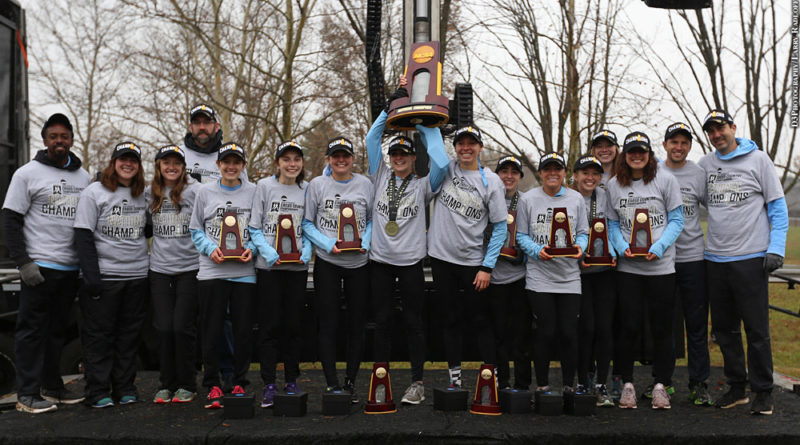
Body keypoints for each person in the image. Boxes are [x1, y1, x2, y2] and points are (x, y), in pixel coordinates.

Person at [699, 109, 787, 415]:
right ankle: (737, 388)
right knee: (724, 330)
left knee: (756, 330)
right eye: (711, 131)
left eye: (720, 128)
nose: (716, 134)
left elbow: (777, 208)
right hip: (715, 259)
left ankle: (763, 391)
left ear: (733, 127)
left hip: (751, 258)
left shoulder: (759, 160)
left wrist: (776, 247)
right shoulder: (705, 165)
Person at [366, 78, 448, 404]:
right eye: (395, 154)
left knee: (415, 324)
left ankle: (417, 383)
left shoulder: (424, 184)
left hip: (412, 262)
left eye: (405, 154)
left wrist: (425, 122)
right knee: (382, 323)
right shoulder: (379, 175)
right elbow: (374, 136)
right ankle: (380, 379)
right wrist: (396, 101)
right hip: (380, 263)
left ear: (414, 159)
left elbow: (442, 162)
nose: (399, 158)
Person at [2, 113, 90, 413]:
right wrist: (24, 263)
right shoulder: (27, 173)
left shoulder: (84, 177)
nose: (59, 141)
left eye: (64, 136)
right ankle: (26, 394)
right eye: (53, 136)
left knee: (56, 333)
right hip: (39, 268)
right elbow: (10, 221)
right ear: (45, 141)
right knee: (31, 331)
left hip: (69, 270)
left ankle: (52, 388)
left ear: (71, 140)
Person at [605, 132, 684, 410]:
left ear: (649, 154)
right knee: (628, 327)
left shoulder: (665, 179)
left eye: (642, 151)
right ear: (624, 155)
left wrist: (660, 246)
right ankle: (627, 384)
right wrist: (619, 246)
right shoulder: (614, 185)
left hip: (660, 268)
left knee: (662, 328)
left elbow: (677, 219)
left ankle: (661, 384)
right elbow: (612, 223)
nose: (636, 156)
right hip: (628, 268)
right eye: (631, 152)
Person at [427, 126, 507, 389]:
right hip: (441, 259)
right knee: (449, 319)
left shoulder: (492, 181)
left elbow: (500, 227)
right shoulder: (445, 168)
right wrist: (428, 124)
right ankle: (455, 378)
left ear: (480, 148)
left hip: (474, 263)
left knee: (481, 320)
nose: (465, 148)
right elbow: (433, 148)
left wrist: (487, 266)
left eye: (471, 144)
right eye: (460, 143)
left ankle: (489, 376)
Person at [73, 142, 149, 408]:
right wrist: (91, 276)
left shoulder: (143, 195)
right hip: (104, 278)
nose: (127, 164)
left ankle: (125, 388)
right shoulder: (94, 192)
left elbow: (148, 230)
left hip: (137, 276)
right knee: (99, 338)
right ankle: (98, 391)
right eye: (122, 159)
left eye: (133, 160)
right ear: (113, 162)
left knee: (128, 337)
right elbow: (82, 236)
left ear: (138, 166)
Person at [302, 137, 373, 403]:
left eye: (345, 156)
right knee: (328, 325)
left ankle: (351, 382)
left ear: (352, 158)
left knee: (357, 326)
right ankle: (332, 383)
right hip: (328, 263)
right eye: (335, 156)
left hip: (359, 265)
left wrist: (365, 243)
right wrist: (329, 244)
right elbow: (307, 224)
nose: (341, 161)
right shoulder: (317, 185)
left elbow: (373, 220)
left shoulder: (365, 184)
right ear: (328, 159)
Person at [189, 142, 257, 409]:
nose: (231, 167)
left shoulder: (254, 191)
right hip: (211, 271)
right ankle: (213, 384)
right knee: (212, 330)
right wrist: (210, 250)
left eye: (236, 162)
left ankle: (239, 381)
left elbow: (259, 227)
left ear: (243, 165)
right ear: (218, 165)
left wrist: (250, 249)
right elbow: (196, 230)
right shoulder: (204, 192)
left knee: (242, 331)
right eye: (226, 162)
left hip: (244, 273)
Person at [515, 153, 588, 396]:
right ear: (541, 173)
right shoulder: (528, 199)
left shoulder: (576, 198)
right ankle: (543, 385)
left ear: (564, 172)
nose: (552, 173)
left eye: (557, 169)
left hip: (569, 279)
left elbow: (584, 233)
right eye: (547, 169)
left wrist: (580, 247)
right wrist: (537, 251)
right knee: (545, 332)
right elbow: (521, 235)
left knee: (568, 332)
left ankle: (569, 385)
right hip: (539, 278)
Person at [248, 141, 312, 408]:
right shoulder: (264, 186)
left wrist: (307, 251)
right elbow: (254, 227)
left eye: (296, 159)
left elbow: (310, 225)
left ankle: (292, 380)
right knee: (269, 327)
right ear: (277, 163)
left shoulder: (307, 189)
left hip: (296, 269)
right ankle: (269, 384)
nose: (292, 164)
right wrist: (268, 252)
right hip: (269, 269)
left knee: (293, 327)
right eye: (286, 159)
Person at [661, 122, 713, 406]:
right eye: (674, 142)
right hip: (662, 262)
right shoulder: (654, 171)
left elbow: (716, 208)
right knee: (665, 326)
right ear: (665, 145)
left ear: (689, 147)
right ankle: (662, 382)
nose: (678, 147)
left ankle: (699, 383)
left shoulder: (698, 173)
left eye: (684, 143)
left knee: (696, 325)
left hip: (693, 258)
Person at [147, 145, 201, 404]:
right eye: (166, 162)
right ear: (158, 165)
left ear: (183, 167)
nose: (171, 167)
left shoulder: (195, 191)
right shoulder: (150, 192)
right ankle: (165, 384)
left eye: (177, 163)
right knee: (164, 329)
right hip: (159, 270)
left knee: (182, 327)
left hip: (190, 269)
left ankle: (187, 384)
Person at [571, 154, 617, 407]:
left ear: (601, 178)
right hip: (578, 274)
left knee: (604, 329)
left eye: (595, 174)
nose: (589, 178)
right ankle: (583, 381)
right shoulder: (567, 197)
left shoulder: (606, 197)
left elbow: (618, 226)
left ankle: (602, 384)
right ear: (575, 175)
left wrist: (617, 252)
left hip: (605, 273)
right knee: (585, 329)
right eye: (584, 173)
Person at [485, 156, 530, 391]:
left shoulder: (527, 202)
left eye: (514, 172)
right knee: (498, 336)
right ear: (497, 175)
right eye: (504, 171)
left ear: (520, 177)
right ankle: (500, 384)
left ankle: (523, 386)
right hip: (492, 279)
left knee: (521, 336)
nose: (509, 176)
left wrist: (520, 251)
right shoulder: (487, 198)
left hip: (519, 278)